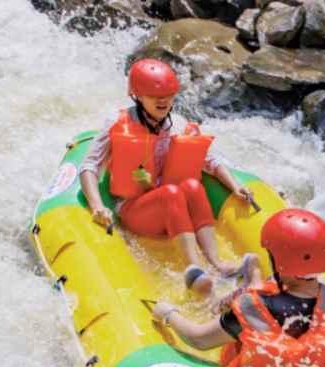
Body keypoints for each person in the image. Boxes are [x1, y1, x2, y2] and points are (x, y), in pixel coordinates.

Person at [79, 58, 254, 289]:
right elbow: (89, 166)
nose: (163, 101)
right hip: (135, 209)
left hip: (172, 204)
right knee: (171, 192)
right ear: (137, 95)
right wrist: (97, 206)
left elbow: (210, 160)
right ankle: (196, 271)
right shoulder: (117, 122)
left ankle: (216, 263)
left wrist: (234, 186)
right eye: (153, 95)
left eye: (168, 95)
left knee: (191, 185)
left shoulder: (177, 123)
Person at [153, 209, 325, 367]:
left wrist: (167, 313)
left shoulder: (253, 307)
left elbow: (197, 339)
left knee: (222, 306)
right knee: (256, 297)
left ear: (279, 260)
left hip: (254, 364)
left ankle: (211, 290)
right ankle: (252, 275)